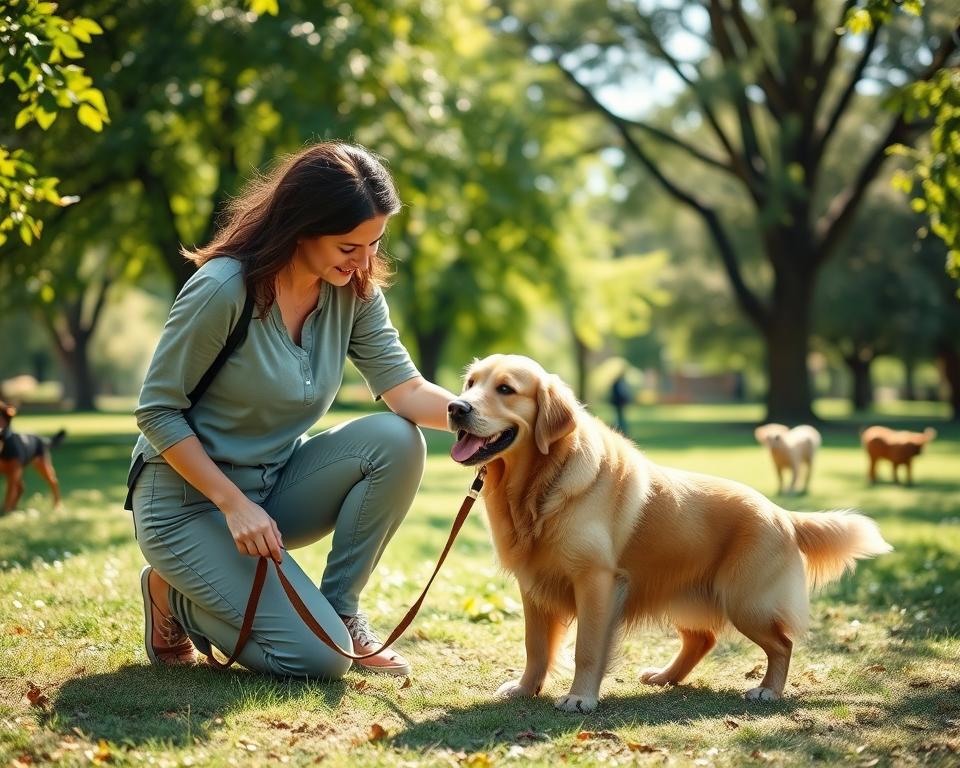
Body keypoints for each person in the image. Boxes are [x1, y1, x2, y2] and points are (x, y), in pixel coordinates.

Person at [128, 141, 458, 680]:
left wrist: (490, 421)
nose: (364, 262)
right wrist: (233, 505)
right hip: (186, 503)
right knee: (319, 661)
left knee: (396, 439)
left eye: (374, 243)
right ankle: (175, 596)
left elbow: (408, 392)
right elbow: (157, 411)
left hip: (275, 490)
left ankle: (342, 612)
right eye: (350, 246)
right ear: (302, 227)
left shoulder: (354, 292)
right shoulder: (222, 289)